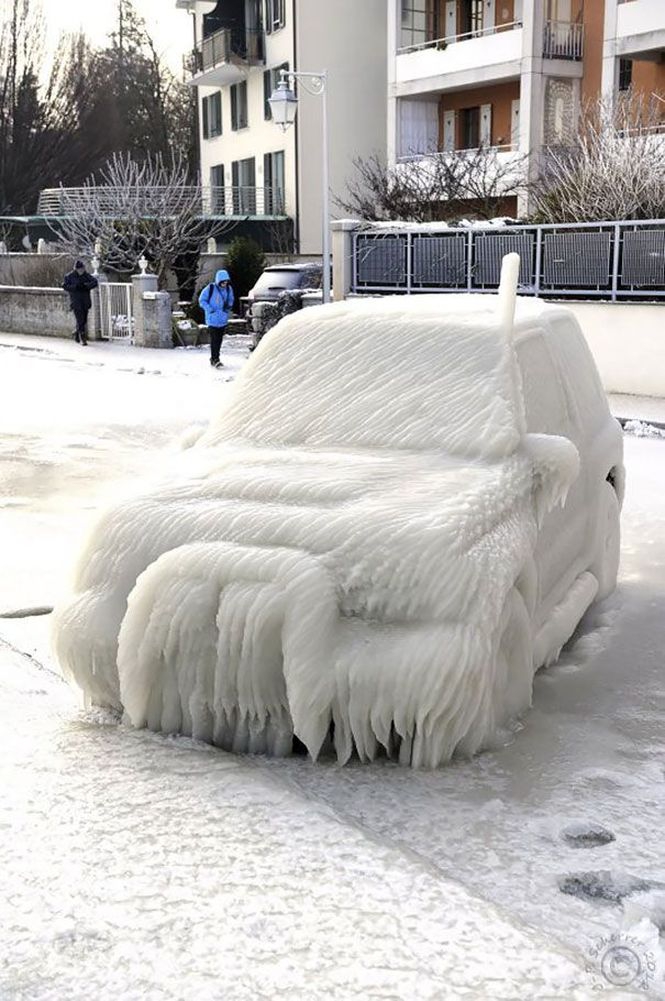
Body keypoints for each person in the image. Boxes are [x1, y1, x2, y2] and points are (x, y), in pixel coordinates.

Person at [199, 269, 234, 369]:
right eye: (223, 282)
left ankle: (215, 358)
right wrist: (210, 309)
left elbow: (231, 299)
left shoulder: (228, 289)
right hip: (212, 319)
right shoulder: (210, 288)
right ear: (219, 281)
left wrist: (228, 307)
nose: (225, 284)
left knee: (219, 340)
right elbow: (202, 300)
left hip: (222, 319)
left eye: (226, 282)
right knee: (214, 340)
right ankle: (215, 359)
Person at [63, 260, 99, 346]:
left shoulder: (86, 276)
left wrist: (86, 286)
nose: (81, 271)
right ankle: (83, 338)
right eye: (80, 269)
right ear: (76, 269)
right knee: (80, 319)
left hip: (85, 300)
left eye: (82, 269)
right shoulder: (69, 276)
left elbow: (95, 282)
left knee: (84, 320)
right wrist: (75, 287)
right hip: (75, 301)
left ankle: (76, 332)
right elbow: (64, 286)